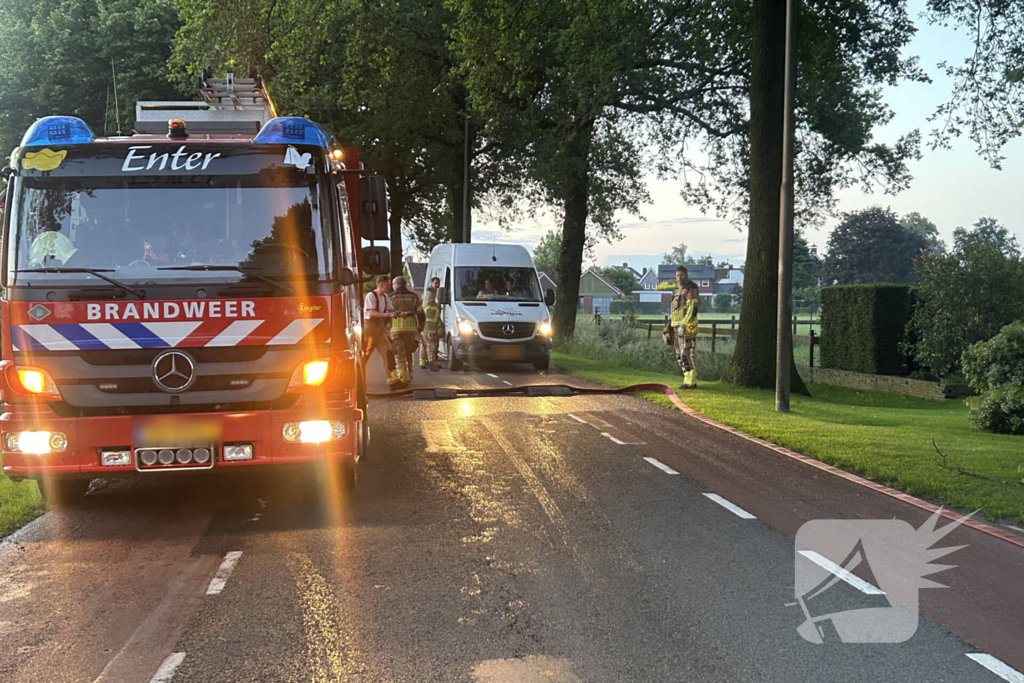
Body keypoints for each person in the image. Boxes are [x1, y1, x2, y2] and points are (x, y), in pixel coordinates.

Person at [364, 276, 402, 390]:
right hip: (369, 331)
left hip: (380, 331)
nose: (389, 287)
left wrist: (399, 313)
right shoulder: (370, 296)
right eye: (387, 285)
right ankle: (357, 380)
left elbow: (391, 309)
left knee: (388, 354)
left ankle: (392, 380)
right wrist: (387, 315)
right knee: (364, 356)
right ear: (381, 285)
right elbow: (371, 313)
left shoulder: (385, 297)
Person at [389, 276, 424, 386]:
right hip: (411, 330)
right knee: (409, 354)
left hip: (396, 330)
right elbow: (421, 314)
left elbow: (386, 314)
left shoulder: (390, 297)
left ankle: (403, 379)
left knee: (400, 355)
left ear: (396, 284)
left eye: (393, 284)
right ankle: (410, 377)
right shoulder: (414, 297)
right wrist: (420, 327)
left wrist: (385, 329)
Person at [670, 265, 700, 389]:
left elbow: (692, 308)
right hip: (676, 325)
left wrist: (683, 324)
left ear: (686, 275)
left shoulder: (691, 288)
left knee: (686, 353)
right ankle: (686, 379)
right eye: (677, 275)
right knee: (679, 354)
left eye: (681, 275)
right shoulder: (678, 290)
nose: (679, 278)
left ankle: (691, 381)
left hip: (687, 326)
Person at [420, 276, 442, 372]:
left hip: (423, 329)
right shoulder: (432, 306)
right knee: (431, 346)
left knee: (423, 345)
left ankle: (422, 362)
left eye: (438, 283)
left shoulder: (426, 299)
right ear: (431, 283)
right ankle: (431, 362)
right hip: (430, 329)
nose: (437, 285)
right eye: (435, 283)